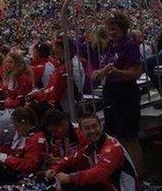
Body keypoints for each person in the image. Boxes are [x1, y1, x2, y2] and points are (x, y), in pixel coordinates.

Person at [91, 12, 144, 175]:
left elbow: (136, 72)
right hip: (111, 92)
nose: (111, 32)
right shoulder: (110, 46)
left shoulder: (129, 45)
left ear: (122, 28)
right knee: (115, 136)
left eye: (114, 29)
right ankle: (125, 173)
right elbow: (106, 68)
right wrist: (99, 72)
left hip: (125, 93)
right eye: (109, 28)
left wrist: (115, 72)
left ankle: (139, 176)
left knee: (130, 138)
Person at [45, 113, 139, 191]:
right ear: (82, 131)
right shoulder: (92, 145)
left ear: (101, 126)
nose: (92, 131)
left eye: (94, 126)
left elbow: (99, 173)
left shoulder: (112, 147)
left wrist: (70, 178)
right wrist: (54, 169)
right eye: (87, 128)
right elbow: (72, 158)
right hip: (106, 186)